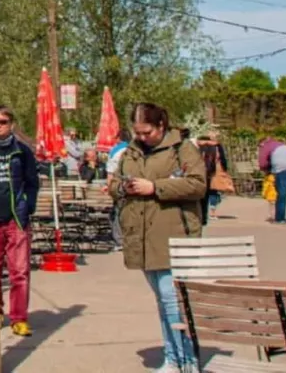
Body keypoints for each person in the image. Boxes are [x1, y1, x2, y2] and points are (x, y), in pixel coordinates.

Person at [110, 102, 206, 373]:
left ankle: (185, 360)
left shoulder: (182, 149)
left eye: (146, 132)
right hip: (140, 235)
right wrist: (123, 187)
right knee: (162, 302)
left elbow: (198, 184)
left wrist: (155, 187)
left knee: (172, 301)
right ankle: (172, 356)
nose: (141, 137)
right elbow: (114, 183)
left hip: (173, 234)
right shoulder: (131, 151)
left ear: (161, 126)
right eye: (137, 132)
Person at [0, 105, 39, 338]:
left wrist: (27, 207)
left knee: (19, 272)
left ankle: (19, 318)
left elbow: (32, 182)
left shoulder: (22, 151)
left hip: (15, 217)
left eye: (3, 122)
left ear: (11, 125)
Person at [195, 129, 229, 227]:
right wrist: (225, 169)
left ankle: (200, 214)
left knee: (202, 194)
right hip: (214, 171)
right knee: (213, 192)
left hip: (201, 171)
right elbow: (223, 159)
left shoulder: (198, 145)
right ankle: (211, 213)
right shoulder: (217, 146)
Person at [106, 127, 131, 250]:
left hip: (120, 185)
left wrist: (109, 187)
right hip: (135, 184)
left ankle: (119, 241)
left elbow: (110, 172)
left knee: (117, 213)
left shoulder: (115, 151)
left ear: (119, 138)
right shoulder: (134, 149)